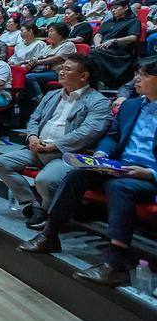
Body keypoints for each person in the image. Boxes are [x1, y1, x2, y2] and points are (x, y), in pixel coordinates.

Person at [18, 58, 157, 287]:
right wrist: (101, 155)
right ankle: (50, 235)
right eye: (136, 73)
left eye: (145, 75)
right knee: (77, 174)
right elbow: (112, 137)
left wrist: (150, 173)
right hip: (121, 166)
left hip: (148, 175)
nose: (136, 79)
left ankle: (115, 265)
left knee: (118, 186)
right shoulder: (131, 105)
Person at [0, 54, 112, 229]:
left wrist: (56, 144)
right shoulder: (52, 95)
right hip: (39, 147)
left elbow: (89, 132)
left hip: (68, 154)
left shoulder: (98, 101)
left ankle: (50, 216)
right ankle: (32, 204)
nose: (61, 72)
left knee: (45, 180)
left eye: (67, 69)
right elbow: (34, 119)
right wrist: (32, 137)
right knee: (0, 162)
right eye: (61, 68)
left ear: (84, 76)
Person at [91, 0, 142, 88]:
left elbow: (133, 37)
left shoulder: (133, 21)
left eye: (116, 8)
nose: (113, 10)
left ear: (125, 8)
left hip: (120, 48)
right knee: (91, 52)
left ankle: (102, 81)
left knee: (94, 53)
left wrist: (114, 40)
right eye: (111, 9)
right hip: (103, 47)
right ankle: (96, 80)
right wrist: (97, 45)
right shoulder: (108, 22)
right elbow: (98, 35)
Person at [24, 23, 76, 101]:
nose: (48, 33)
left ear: (60, 33)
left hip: (58, 72)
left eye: (51, 31)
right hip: (45, 70)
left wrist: (38, 62)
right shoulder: (48, 47)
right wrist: (31, 63)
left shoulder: (68, 45)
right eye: (48, 31)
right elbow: (39, 58)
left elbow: (57, 58)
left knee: (30, 77)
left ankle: (40, 99)